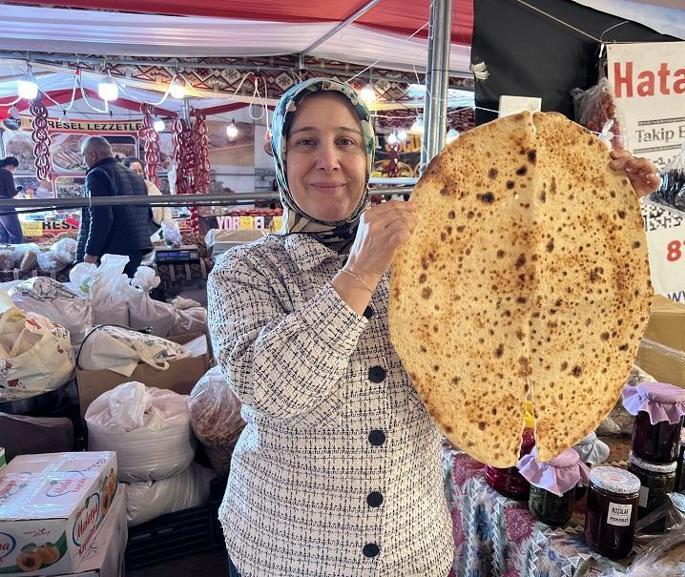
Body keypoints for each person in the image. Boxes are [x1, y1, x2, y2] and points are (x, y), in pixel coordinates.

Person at [207, 78, 660, 577]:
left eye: (346, 141)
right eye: (306, 141)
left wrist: (595, 208)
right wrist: (360, 273)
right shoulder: (246, 271)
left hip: (410, 547)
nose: (329, 160)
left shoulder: (432, 252)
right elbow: (272, 390)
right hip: (285, 552)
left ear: (368, 157)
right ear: (280, 155)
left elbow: (527, 319)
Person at [76, 136, 154, 276]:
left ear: (93, 155)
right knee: (130, 293)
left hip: (112, 253)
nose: (83, 160)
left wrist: (91, 252)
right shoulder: (136, 177)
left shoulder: (97, 174)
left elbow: (101, 217)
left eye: (83, 155)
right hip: (137, 249)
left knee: (109, 295)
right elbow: (147, 215)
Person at [124, 156, 172, 235]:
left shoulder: (149, 186)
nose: (138, 174)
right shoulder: (122, 189)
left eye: (140, 171)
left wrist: (168, 224)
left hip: (153, 229)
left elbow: (164, 204)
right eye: (134, 171)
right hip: (132, 232)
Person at [0, 156, 24, 244]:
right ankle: (17, 256)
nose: (13, 170)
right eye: (14, 167)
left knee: (3, 234)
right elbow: (12, 193)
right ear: (10, 165)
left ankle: (4, 255)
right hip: (5, 203)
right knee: (16, 234)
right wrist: (19, 189)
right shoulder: (6, 173)